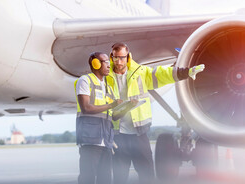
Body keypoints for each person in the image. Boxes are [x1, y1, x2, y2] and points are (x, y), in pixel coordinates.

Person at [107, 42, 205, 184]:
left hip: (138, 133)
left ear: (128, 57)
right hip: (118, 135)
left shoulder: (140, 72)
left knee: (146, 173)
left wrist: (186, 72)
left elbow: (162, 74)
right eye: (115, 58)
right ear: (111, 57)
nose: (119, 61)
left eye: (122, 57)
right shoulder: (105, 76)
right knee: (119, 176)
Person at [75, 52, 136, 184]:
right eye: (106, 62)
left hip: (106, 141)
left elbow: (113, 116)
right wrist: (112, 104)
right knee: (87, 178)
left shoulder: (107, 86)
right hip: (90, 139)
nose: (110, 65)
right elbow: (86, 107)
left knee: (106, 179)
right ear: (96, 64)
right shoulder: (85, 80)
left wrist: (127, 107)